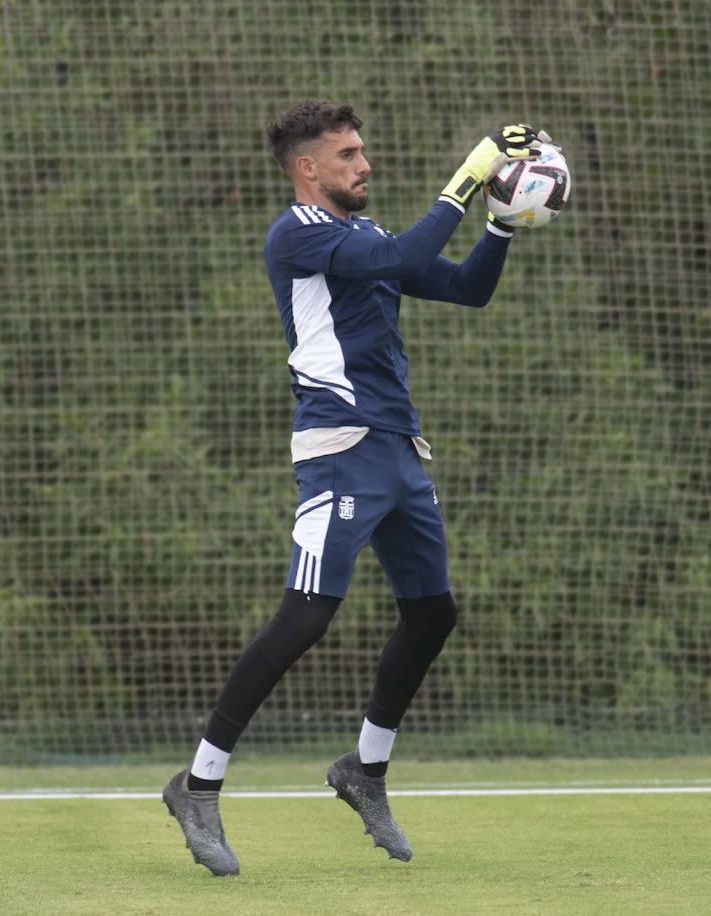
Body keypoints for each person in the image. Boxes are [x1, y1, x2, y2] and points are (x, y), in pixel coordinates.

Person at [163, 101, 549, 875]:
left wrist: (504, 222)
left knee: (433, 614)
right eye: (347, 155)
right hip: (338, 453)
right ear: (309, 170)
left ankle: (363, 770)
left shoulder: (368, 236)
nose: (363, 164)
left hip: (400, 453)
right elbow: (403, 256)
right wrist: (471, 176)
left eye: (362, 152)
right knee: (306, 617)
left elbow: (466, 289)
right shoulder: (296, 233)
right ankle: (197, 784)